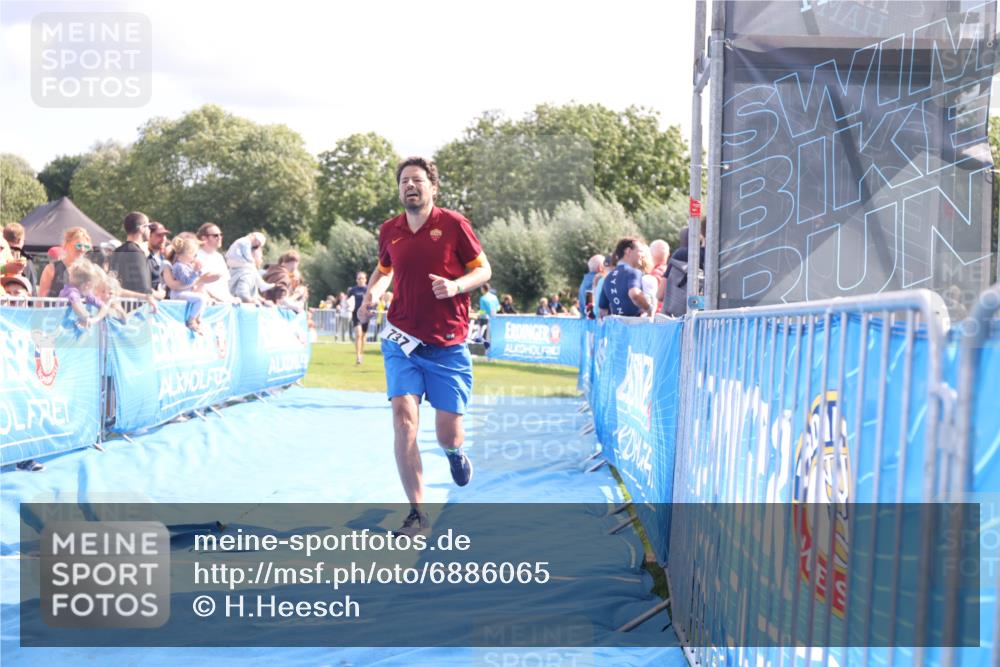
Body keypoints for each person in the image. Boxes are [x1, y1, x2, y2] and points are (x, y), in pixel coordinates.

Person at [358, 157, 491, 537]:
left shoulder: (453, 224)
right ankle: (418, 514)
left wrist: (455, 286)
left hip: (447, 344)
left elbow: (483, 270)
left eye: (417, 181)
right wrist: (371, 295)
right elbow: (385, 271)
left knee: (449, 432)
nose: (410, 187)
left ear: (433, 187)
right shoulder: (390, 230)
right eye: (404, 182)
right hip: (402, 338)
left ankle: (453, 453)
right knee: (404, 421)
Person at [167, 236, 218, 333]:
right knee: (200, 299)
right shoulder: (179, 266)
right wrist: (195, 271)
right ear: (187, 254)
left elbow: (195, 278)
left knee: (203, 296)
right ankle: (191, 320)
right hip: (178, 294)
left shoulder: (187, 265)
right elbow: (187, 281)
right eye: (194, 255)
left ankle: (198, 317)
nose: (195, 257)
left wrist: (198, 270)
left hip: (185, 292)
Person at [599, 237, 651, 318]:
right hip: (635, 325)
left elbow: (602, 311)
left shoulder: (608, 277)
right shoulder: (633, 272)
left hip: (617, 327)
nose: (643, 255)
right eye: (640, 251)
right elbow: (635, 294)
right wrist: (648, 309)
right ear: (628, 251)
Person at [37, 227, 93, 298]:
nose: (82, 249)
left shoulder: (88, 271)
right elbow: (40, 298)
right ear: (67, 244)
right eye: (79, 245)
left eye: (86, 247)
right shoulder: (52, 269)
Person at [109, 212, 153, 294]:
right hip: (136, 304)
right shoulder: (136, 253)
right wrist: (160, 294)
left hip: (119, 302)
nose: (150, 230)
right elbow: (144, 288)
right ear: (141, 228)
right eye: (148, 226)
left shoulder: (117, 251)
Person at [196, 223, 237, 304]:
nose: (219, 238)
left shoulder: (219, 257)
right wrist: (218, 299)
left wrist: (231, 298)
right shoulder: (196, 256)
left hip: (224, 303)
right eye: (215, 235)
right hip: (208, 304)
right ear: (204, 238)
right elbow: (198, 284)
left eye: (220, 235)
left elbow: (224, 284)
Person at [226, 232, 270, 304]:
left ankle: (262, 284)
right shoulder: (247, 274)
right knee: (252, 268)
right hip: (239, 310)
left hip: (232, 306)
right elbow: (242, 293)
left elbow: (253, 294)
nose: (262, 260)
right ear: (253, 254)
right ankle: (262, 285)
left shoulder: (235, 270)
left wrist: (263, 301)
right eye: (261, 257)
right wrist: (253, 302)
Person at [3, 223, 37, 293]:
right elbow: (32, 289)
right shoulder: (24, 261)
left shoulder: (2, 256)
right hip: (20, 302)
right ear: (19, 240)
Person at [347, 271, 369, 364]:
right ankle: (358, 356)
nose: (360, 280)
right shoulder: (353, 290)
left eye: (362, 278)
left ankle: (361, 353)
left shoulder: (368, 289)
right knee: (358, 334)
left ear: (365, 279)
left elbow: (374, 300)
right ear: (356, 280)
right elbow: (347, 301)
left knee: (363, 336)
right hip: (356, 314)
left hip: (366, 315)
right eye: (359, 278)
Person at [147, 221, 171, 296]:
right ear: (149, 235)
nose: (163, 239)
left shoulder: (166, 257)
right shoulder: (144, 256)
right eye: (159, 235)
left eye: (164, 235)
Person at [578, 254, 603, 319]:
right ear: (600, 267)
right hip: (597, 323)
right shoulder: (600, 282)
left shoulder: (583, 283)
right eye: (605, 265)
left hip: (585, 323)